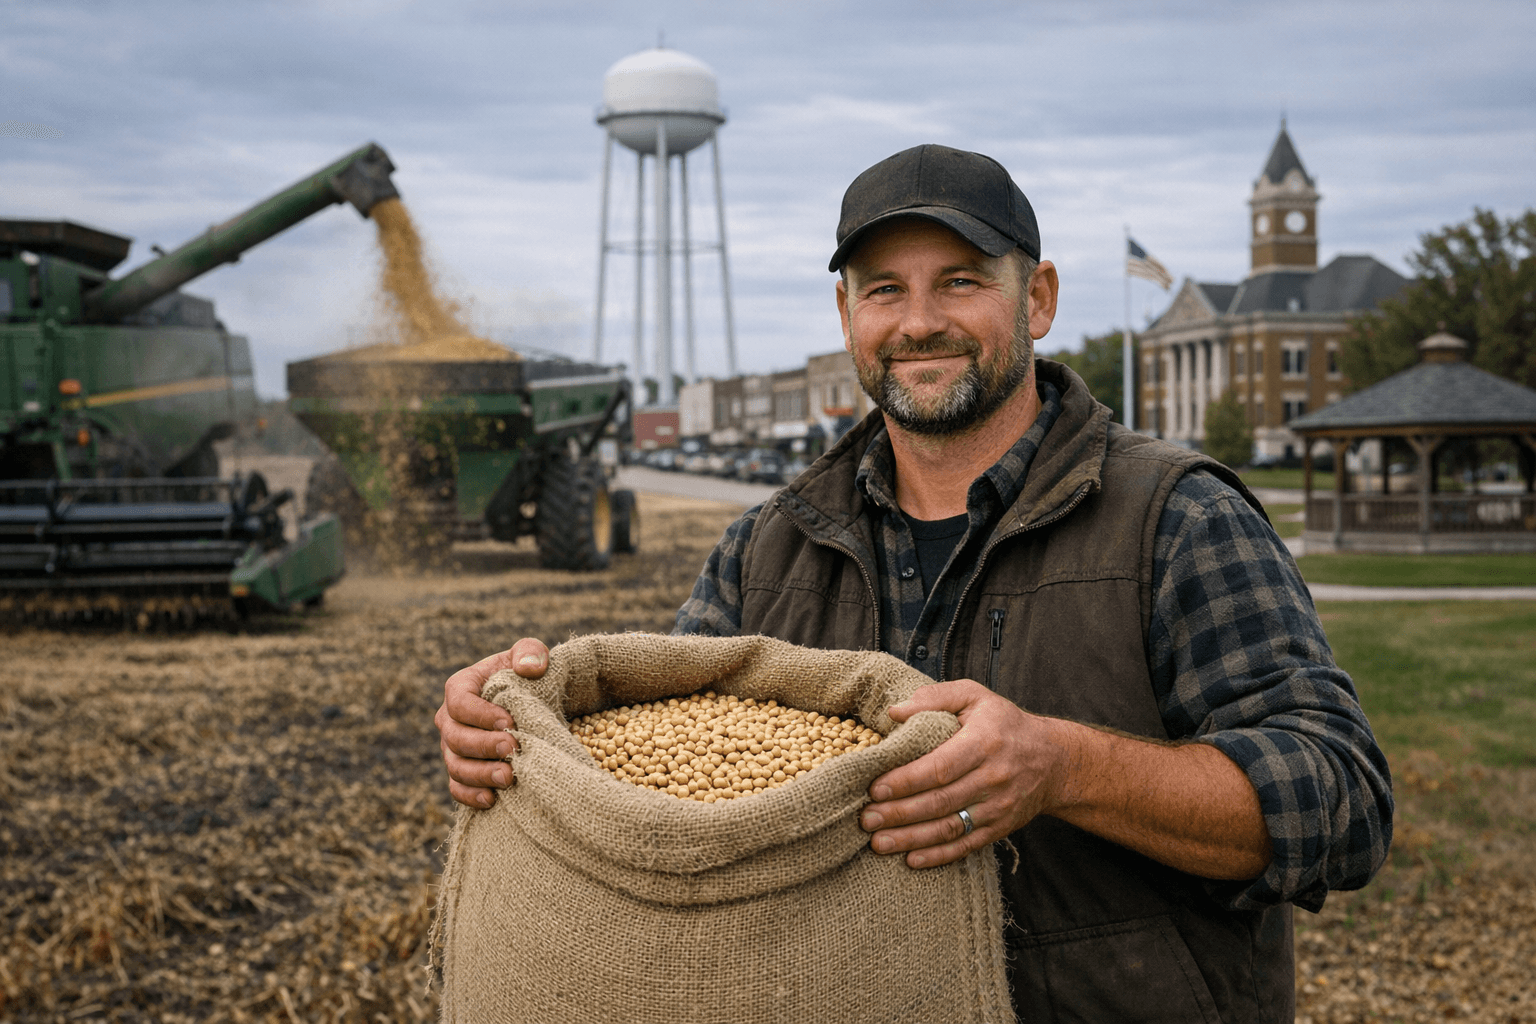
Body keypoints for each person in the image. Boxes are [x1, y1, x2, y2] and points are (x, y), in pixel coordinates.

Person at [435, 144, 1393, 1021]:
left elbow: (1340, 800)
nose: (920, 322)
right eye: (884, 289)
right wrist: (521, 727)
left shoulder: (1177, 519)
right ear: (847, 316)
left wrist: (1064, 768)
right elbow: (661, 768)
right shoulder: (767, 549)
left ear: (1038, 299)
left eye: (961, 281)